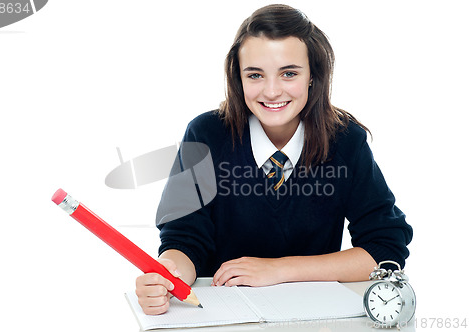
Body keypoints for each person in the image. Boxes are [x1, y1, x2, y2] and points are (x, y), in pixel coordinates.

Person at [135, 4, 413, 315]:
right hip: (223, 312)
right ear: (238, 78)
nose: (271, 91)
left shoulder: (346, 140)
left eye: (289, 73)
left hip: (314, 314)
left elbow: (384, 247)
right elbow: (184, 238)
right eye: (255, 74)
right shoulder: (206, 134)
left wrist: (278, 270)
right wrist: (170, 272)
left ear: (313, 76)